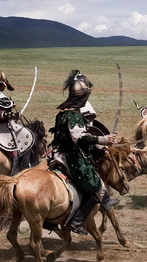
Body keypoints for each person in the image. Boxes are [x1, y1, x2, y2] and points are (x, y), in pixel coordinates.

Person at [48, 70, 119, 235]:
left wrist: (100, 147)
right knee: (99, 187)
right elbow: (80, 139)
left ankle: (106, 204)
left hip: (57, 155)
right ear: (82, 97)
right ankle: (78, 220)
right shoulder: (74, 115)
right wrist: (104, 139)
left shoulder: (63, 114)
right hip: (72, 159)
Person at [0, 68, 36, 174]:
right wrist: (14, 115)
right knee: (26, 138)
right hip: (3, 127)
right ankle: (22, 169)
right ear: (2, 84)